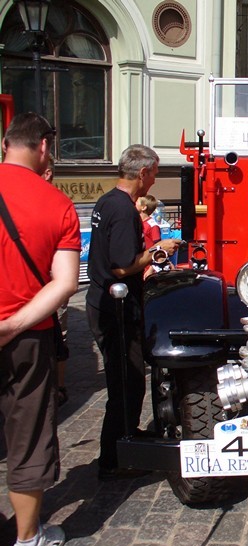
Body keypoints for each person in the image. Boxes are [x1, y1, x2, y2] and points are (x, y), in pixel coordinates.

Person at [0, 113, 80, 546]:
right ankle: (27, 540)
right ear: (45, 147)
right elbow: (65, 282)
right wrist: (12, 324)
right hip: (28, 335)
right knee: (28, 437)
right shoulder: (56, 204)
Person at [86, 145, 181, 480]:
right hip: (115, 308)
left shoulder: (107, 200)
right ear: (143, 173)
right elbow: (123, 266)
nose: (155, 180)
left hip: (103, 303)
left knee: (126, 381)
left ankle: (127, 437)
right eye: (154, 173)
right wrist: (157, 250)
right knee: (125, 383)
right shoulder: (124, 210)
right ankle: (114, 458)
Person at [42, 157, 70, 407]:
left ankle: (58, 385)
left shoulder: (53, 202)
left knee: (58, 334)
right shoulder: (56, 203)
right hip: (46, 282)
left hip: (51, 281)